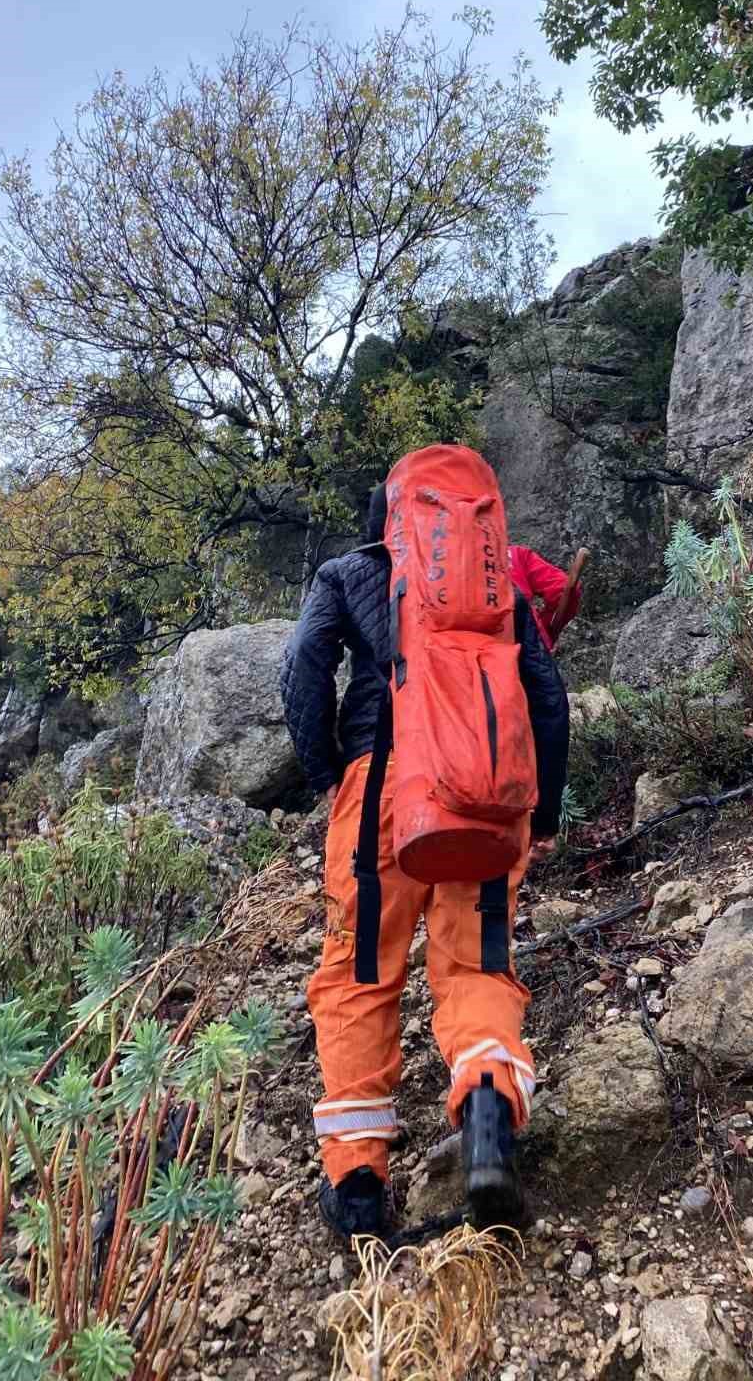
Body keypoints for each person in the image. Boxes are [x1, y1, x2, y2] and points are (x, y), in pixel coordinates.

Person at [280, 480, 569, 1241]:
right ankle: (485, 1113)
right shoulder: (493, 580)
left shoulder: (346, 574)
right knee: (476, 966)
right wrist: (544, 811)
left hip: (378, 791)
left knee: (358, 976)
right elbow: (546, 691)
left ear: (381, 527)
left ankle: (358, 1184)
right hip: (485, 790)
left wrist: (325, 772)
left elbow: (303, 666)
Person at [509, 543, 581, 654]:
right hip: (532, 652)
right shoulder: (516, 555)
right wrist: (543, 631)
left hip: (481, 661)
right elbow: (564, 589)